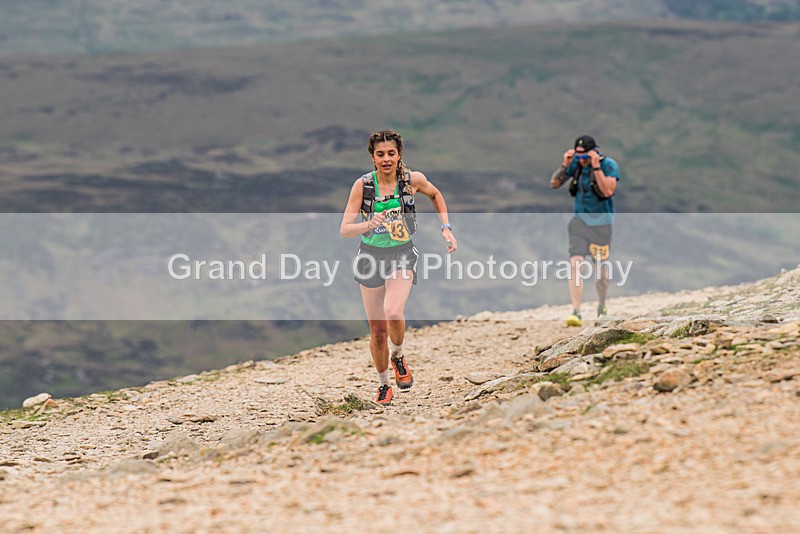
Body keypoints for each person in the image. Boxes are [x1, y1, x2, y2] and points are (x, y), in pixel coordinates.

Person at [340, 129, 457, 405]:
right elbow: (345, 230)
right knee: (378, 331)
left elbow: (436, 194)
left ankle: (398, 356)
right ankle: (383, 384)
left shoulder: (411, 179)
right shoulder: (363, 186)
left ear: (399, 154)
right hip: (369, 257)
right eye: (380, 154)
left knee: (393, 311)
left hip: (402, 253)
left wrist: (446, 228)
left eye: (391, 153)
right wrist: (369, 223)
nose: (386, 159)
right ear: (372, 157)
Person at [550, 134, 620, 327]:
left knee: (600, 270)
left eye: (585, 156)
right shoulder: (576, 166)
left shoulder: (608, 165)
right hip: (579, 222)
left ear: (594, 151)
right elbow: (555, 183)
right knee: (576, 264)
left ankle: (602, 304)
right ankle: (576, 311)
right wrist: (566, 164)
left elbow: (608, 191)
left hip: (602, 225)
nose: (582, 160)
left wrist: (596, 166)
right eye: (578, 156)